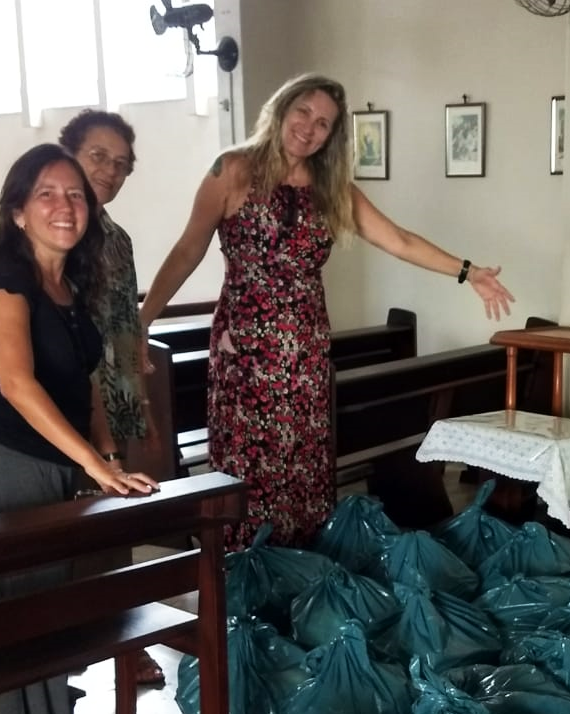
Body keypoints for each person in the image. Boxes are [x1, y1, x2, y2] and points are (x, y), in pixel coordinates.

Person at [137, 73, 515, 552]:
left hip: (306, 353)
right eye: (303, 112)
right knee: (251, 470)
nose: (309, 128)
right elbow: (188, 249)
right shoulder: (232, 170)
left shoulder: (332, 188)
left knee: (304, 470)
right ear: (282, 108)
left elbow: (399, 240)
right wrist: (143, 319)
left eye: (323, 123)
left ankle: (304, 571)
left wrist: (468, 271)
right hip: (246, 354)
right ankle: (247, 572)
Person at [0, 109, 168, 687]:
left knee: (105, 537)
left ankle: (118, 640)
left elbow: (122, 326)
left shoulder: (109, 241)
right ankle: (69, 664)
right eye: (98, 157)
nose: (110, 171)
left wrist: (139, 401)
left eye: (122, 164)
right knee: (41, 580)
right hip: (43, 421)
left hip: (101, 399)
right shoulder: (30, 244)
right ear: (68, 154)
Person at [0, 142, 158, 714]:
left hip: (52, 471)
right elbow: (16, 384)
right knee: (22, 626)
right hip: (6, 470)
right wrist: (92, 462)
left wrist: (105, 455)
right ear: (17, 210)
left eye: (75, 195)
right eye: (46, 193)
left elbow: (83, 383)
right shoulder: (5, 283)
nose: (65, 206)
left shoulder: (68, 286)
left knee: (47, 619)